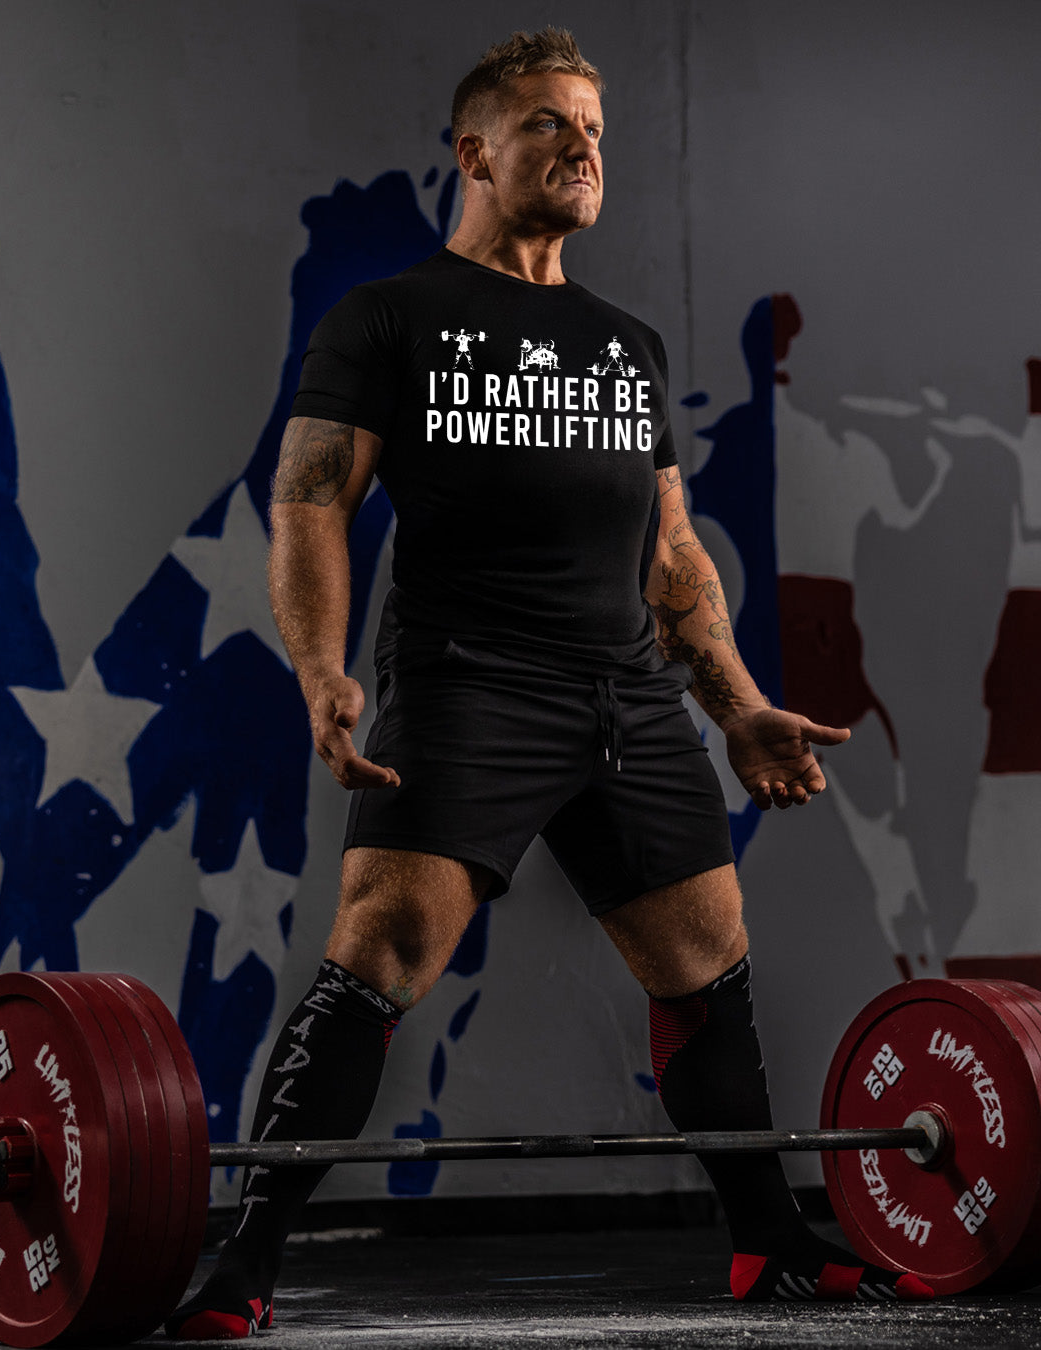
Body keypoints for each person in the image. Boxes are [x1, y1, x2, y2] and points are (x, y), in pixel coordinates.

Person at [166, 28, 932, 1340]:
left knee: (707, 954)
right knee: (385, 951)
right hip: (469, 681)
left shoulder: (624, 348)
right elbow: (311, 507)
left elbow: (674, 555)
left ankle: (766, 1243)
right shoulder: (387, 317)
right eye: (548, 125)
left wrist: (736, 700)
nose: (583, 146)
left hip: (624, 693)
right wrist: (319, 669)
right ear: (474, 151)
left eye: (593, 126)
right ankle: (249, 1256)